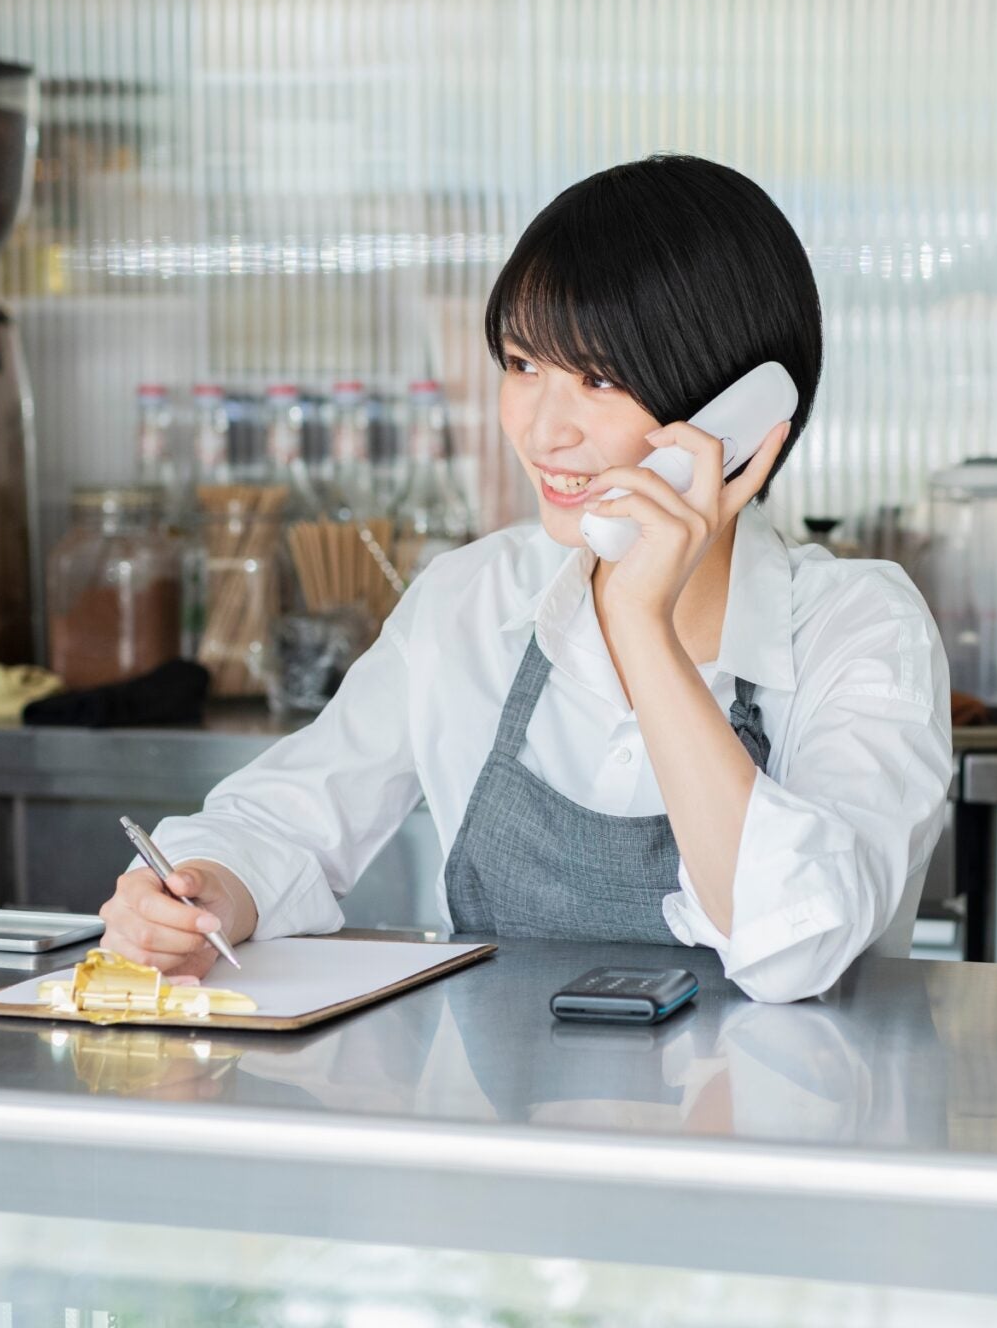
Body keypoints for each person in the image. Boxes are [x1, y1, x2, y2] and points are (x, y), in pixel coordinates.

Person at [99, 154, 951, 1003]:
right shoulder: (471, 598)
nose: (543, 432)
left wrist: (641, 624)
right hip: (506, 1096)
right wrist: (202, 893)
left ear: (738, 414)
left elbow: (796, 944)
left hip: (773, 1095)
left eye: (600, 378)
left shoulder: (864, 629)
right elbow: (283, 820)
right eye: (522, 364)